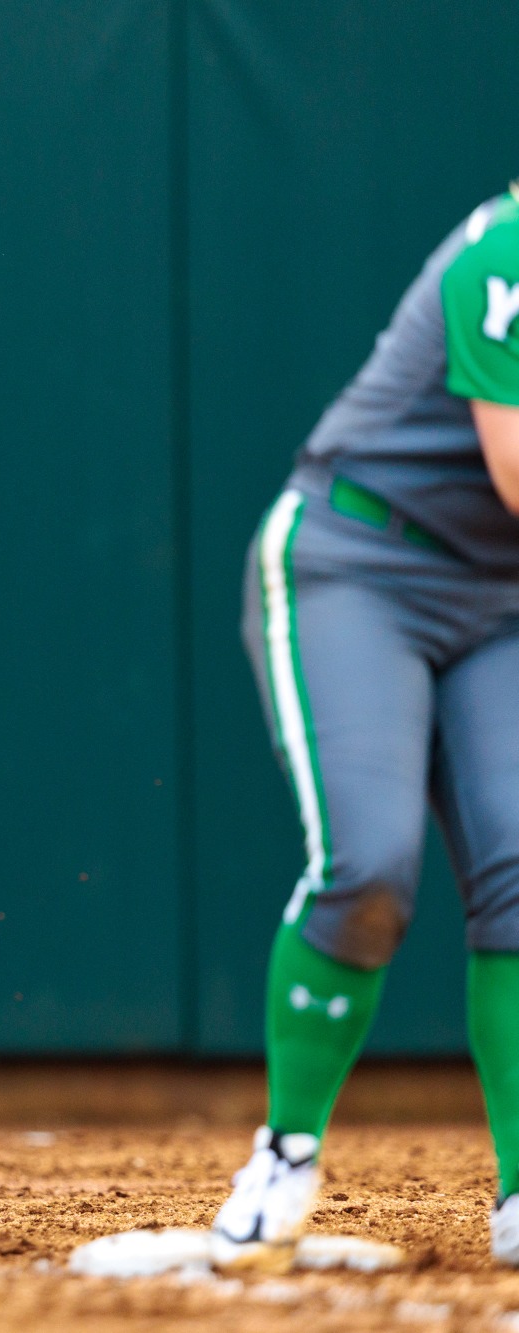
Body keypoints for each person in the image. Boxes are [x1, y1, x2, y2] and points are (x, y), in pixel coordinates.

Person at [212, 183, 519, 1271]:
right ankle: (285, 1152)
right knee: (371, 865)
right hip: (357, 565)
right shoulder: (505, 250)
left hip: (501, 600)